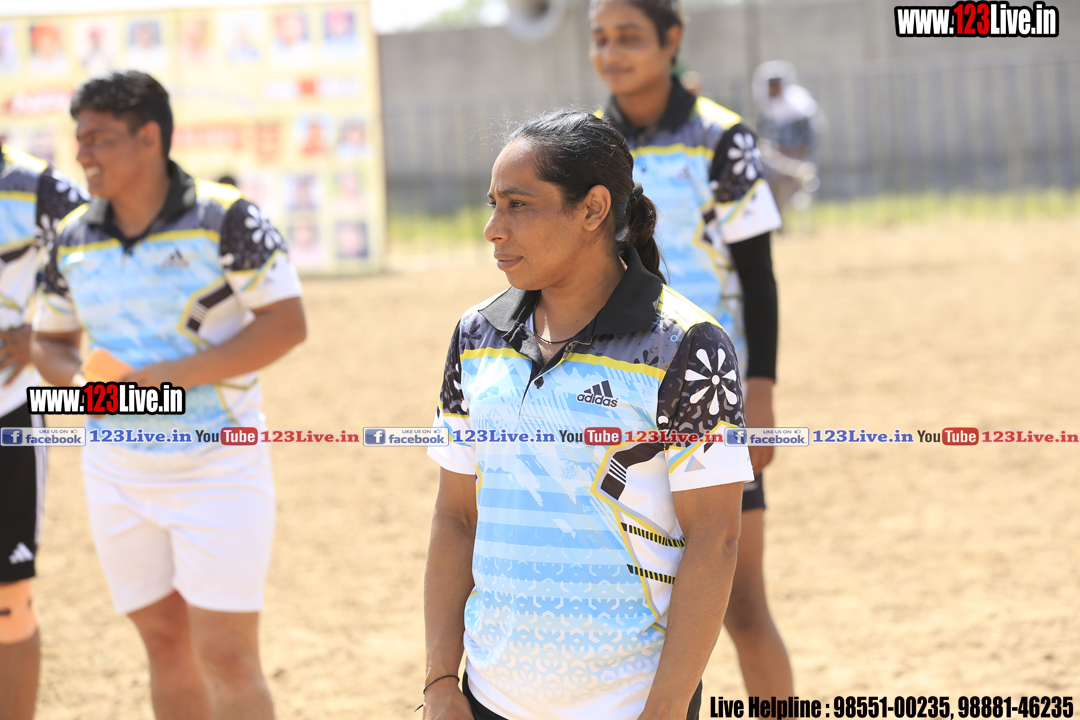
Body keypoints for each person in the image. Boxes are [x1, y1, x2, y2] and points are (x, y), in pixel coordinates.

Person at [423, 110, 753, 720]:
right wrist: (441, 681)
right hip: (488, 700)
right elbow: (455, 517)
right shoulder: (475, 336)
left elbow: (716, 539)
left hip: (630, 706)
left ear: (594, 209)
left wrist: (665, 709)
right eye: (493, 205)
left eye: (518, 205)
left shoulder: (686, 346)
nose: (493, 229)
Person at [30, 71, 306, 720]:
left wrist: (175, 376)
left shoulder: (225, 217)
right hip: (115, 472)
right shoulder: (71, 237)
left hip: (219, 464)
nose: (82, 154)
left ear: (149, 137)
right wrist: (86, 389)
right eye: (79, 139)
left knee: (228, 655)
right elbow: (50, 341)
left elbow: (286, 324)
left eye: (98, 138)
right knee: (163, 643)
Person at [589, 0, 794, 698]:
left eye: (629, 36)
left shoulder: (721, 137)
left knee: (742, 605)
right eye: (600, 38)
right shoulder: (586, 146)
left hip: (711, 398)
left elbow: (759, 275)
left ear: (671, 40)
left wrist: (760, 391)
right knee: (633, 601)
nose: (612, 52)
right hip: (619, 397)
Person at [0, 144, 88, 720]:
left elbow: (100, 250)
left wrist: (37, 332)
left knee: (8, 602)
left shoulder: (36, 187)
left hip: (9, 413)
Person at [752, 60, 824, 213]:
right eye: (771, 85)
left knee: (797, 179)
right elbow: (761, 139)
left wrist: (796, 153)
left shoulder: (799, 105)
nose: (774, 88)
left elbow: (809, 137)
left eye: (776, 84)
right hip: (773, 160)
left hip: (796, 155)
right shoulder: (765, 110)